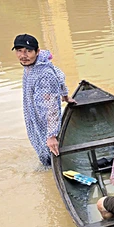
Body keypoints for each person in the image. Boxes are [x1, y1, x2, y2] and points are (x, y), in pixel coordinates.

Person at [14, 34, 74, 167]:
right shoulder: (32, 64)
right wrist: (65, 96)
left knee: (48, 149)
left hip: (43, 119)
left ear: (37, 51)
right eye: (19, 51)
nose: (23, 55)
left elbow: (51, 107)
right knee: (39, 142)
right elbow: (59, 76)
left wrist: (51, 136)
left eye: (28, 51)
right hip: (33, 112)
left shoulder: (44, 74)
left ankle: (49, 167)